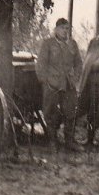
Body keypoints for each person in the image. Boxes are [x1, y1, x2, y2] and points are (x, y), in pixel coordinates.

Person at [36, 18, 83, 151]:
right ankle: (52, 141)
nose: (65, 31)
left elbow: (79, 63)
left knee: (70, 112)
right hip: (52, 83)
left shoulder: (72, 44)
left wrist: (75, 78)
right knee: (50, 113)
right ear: (56, 30)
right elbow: (41, 64)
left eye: (67, 28)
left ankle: (69, 141)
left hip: (68, 84)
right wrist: (45, 81)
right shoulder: (48, 44)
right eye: (62, 28)